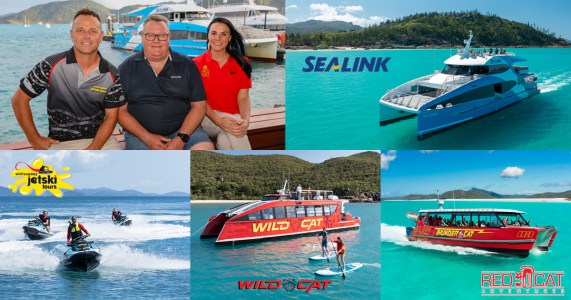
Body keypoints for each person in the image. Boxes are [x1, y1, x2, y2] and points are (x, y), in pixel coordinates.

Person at [11, 8, 125, 150]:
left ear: (101, 36)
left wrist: (93, 149)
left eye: (93, 31)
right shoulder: (50, 65)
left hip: (102, 141)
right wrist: (34, 139)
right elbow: (19, 99)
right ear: (72, 35)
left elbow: (111, 116)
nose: (86, 36)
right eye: (80, 30)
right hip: (61, 143)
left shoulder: (112, 74)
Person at [117, 14, 214, 150]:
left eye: (162, 35)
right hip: (139, 135)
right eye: (150, 35)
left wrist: (181, 138)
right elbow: (120, 111)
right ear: (142, 37)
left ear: (169, 37)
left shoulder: (187, 65)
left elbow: (199, 106)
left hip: (184, 131)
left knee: (205, 151)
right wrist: (147, 137)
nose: (156, 41)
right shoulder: (126, 68)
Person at [194, 17, 253, 149]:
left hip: (234, 117)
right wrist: (219, 121)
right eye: (214, 33)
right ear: (208, 36)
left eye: (223, 34)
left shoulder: (242, 63)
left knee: (226, 139)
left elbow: (243, 98)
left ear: (230, 38)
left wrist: (246, 121)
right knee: (235, 130)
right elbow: (199, 101)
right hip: (206, 117)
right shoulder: (196, 64)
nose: (218, 38)